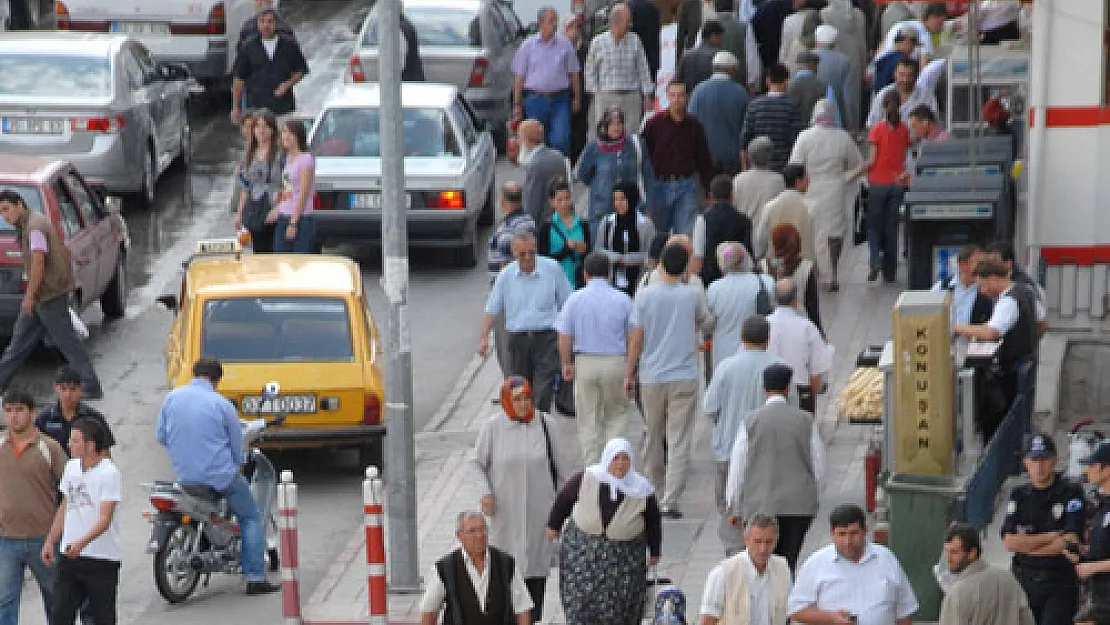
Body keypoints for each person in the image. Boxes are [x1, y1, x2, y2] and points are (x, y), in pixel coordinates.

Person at [157, 358, 280, 595]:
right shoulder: (222, 405)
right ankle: (255, 577)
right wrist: (238, 464)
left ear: (194, 374)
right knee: (250, 516)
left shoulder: (172, 398)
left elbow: (162, 436)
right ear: (217, 379)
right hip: (219, 476)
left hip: (185, 476)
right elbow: (237, 448)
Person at [471, 376, 570, 623]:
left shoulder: (546, 425)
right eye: (517, 399)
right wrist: (485, 492)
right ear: (506, 400)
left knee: (535, 576)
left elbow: (563, 470)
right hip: (506, 514)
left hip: (539, 514)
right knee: (505, 573)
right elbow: (476, 463)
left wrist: (562, 511)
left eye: (527, 398)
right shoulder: (493, 428)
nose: (523, 404)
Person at [626, 243, 710, 518]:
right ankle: (670, 499)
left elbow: (637, 337)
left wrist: (629, 372)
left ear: (660, 263)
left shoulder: (645, 296)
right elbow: (703, 323)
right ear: (685, 266)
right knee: (679, 439)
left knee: (653, 434)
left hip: (652, 375)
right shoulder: (691, 295)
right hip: (684, 374)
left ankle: (653, 488)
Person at [546, 437, 662, 625]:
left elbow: (653, 521)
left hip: (623, 563)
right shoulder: (587, 478)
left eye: (625, 459)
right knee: (580, 605)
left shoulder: (641, 489)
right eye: (616, 458)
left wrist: (655, 550)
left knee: (620, 609)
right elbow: (564, 499)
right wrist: (553, 525)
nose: (620, 464)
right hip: (583, 557)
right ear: (607, 458)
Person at [0, 190, 103, 399]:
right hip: (42, 296)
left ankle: (90, 385)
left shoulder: (34, 227)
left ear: (20, 204)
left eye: (6, 209)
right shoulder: (30, 224)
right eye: (1, 212)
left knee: (67, 342)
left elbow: (38, 263)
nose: (4, 216)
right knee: (18, 345)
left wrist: (29, 296)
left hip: (49, 296)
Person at [726, 363, 824, 572]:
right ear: (788, 388)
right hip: (798, 505)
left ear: (764, 388)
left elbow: (738, 465)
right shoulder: (806, 421)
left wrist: (733, 502)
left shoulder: (750, 421)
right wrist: (814, 497)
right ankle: (786, 597)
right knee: (788, 560)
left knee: (761, 561)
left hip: (760, 503)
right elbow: (819, 464)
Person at [704, 314, 779, 555]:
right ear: (768, 340)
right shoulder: (778, 368)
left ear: (742, 338)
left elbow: (710, 407)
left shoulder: (726, 367)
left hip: (727, 449)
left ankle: (736, 555)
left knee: (729, 508)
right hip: (767, 456)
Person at [997, 432, 1085, 625]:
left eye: (1044, 459)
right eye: (1034, 460)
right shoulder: (1019, 495)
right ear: (1025, 462)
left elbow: (1070, 540)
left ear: (1054, 460)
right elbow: (1010, 542)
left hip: (1059, 582)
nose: (1039, 466)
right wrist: (1050, 537)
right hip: (1024, 580)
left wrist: (1027, 546)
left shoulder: (1070, 492)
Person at [480, 233, 573, 414]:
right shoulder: (506, 275)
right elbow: (492, 307)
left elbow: (567, 303)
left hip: (547, 339)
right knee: (520, 390)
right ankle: (524, 428)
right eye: (522, 254)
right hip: (518, 340)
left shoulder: (552, 269)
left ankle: (539, 426)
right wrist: (484, 337)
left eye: (532, 252)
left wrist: (570, 335)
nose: (528, 258)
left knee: (543, 389)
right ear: (514, 254)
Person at [42, 418, 122, 625]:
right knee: (60, 614)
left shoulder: (109, 473)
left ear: (90, 445)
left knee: (102, 617)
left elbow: (105, 518)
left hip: (101, 559)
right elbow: (65, 506)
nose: (69, 444)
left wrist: (82, 542)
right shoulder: (71, 468)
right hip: (70, 556)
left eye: (75, 440)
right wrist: (51, 540)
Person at [556, 254, 634, 464]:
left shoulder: (574, 299)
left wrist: (566, 362)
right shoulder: (623, 299)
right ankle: (615, 463)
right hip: (615, 362)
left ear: (585, 274)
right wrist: (630, 369)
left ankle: (593, 468)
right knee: (616, 415)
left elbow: (564, 336)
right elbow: (632, 337)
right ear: (609, 274)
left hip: (585, 362)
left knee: (589, 419)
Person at [0, 389, 67, 625]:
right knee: (5, 603)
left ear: (31, 413)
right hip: (6, 540)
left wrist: (57, 533)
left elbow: (70, 491)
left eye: (19, 410)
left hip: (44, 539)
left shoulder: (49, 448)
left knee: (55, 600)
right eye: (8, 411)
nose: (13, 417)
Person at [789, 504, 918, 625]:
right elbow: (796, 610)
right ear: (832, 533)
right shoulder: (816, 563)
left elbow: (905, 610)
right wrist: (830, 618)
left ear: (865, 530)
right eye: (842, 534)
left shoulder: (886, 559)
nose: (847, 542)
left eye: (853, 533)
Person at [788, 99, 863, 290]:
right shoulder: (842, 137)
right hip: (834, 190)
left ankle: (815, 270)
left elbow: (795, 164)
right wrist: (843, 177)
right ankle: (833, 272)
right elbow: (858, 165)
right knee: (834, 233)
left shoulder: (804, 137)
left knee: (812, 231)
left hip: (809, 189)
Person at [954, 259, 1046, 412]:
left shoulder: (1008, 301)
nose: (982, 292)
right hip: (1026, 364)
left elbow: (991, 332)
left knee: (1006, 422)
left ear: (993, 279)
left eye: (982, 286)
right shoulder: (1026, 291)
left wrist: (957, 328)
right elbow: (1042, 323)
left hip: (1010, 372)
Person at [418, 511, 534, 625]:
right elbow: (429, 612)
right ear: (459, 536)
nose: (479, 536)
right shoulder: (444, 568)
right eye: (472, 531)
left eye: (482, 529)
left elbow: (522, 608)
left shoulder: (506, 563)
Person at [640, 80, 714, 236]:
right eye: (673, 95)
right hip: (659, 185)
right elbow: (644, 157)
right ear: (667, 96)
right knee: (658, 235)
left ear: (686, 97)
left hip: (686, 185)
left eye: (680, 95)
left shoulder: (695, 125)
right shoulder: (654, 124)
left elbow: (704, 160)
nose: (676, 99)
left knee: (685, 235)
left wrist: (709, 190)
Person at [512, 7, 582, 155]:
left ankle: (561, 173)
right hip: (535, 100)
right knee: (535, 142)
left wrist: (576, 98)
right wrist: (517, 103)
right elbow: (519, 76)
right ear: (541, 23)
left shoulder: (565, 45)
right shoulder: (527, 46)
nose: (555, 24)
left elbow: (574, 74)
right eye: (551, 21)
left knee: (561, 140)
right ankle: (539, 174)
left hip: (560, 100)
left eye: (556, 20)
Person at [700, 514, 793, 625]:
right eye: (757, 542)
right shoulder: (723, 573)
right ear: (746, 540)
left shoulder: (782, 568)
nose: (763, 549)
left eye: (768, 542)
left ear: (776, 541)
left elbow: (792, 612)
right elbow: (707, 620)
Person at [938, 522, 1035, 625]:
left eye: (954, 552)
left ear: (972, 553)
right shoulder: (1008, 579)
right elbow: (1027, 620)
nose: (948, 558)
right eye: (947, 552)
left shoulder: (956, 594)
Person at [576, 108, 651, 237]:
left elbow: (646, 173)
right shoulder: (594, 147)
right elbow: (583, 174)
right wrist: (601, 187)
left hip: (631, 208)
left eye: (619, 123)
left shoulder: (635, 144)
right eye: (611, 124)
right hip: (602, 209)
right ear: (604, 126)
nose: (616, 127)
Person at [488, 183, 537, 376]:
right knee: (503, 345)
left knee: (508, 347)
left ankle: (514, 388)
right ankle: (511, 385)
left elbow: (517, 251)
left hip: (511, 295)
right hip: (503, 292)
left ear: (503, 202)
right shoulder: (513, 222)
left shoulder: (522, 225)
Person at [583, 4, 654, 140]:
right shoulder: (598, 42)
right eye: (628, 21)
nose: (631, 25)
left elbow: (643, 69)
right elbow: (590, 71)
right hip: (606, 96)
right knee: (605, 135)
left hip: (631, 97)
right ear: (617, 21)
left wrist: (647, 95)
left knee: (632, 136)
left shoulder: (635, 40)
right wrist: (596, 94)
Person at [863, 89, 912, 283]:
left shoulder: (876, 129)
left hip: (877, 183)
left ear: (883, 106)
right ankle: (889, 271)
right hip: (897, 183)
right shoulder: (904, 130)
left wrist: (854, 172)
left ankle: (875, 259)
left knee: (873, 225)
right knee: (891, 227)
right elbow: (904, 154)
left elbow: (872, 160)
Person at [230, 9, 308, 123]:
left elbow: (301, 71)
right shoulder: (247, 47)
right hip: (256, 110)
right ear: (257, 23)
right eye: (262, 21)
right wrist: (235, 108)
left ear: (276, 23)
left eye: (270, 21)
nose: (266, 25)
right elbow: (238, 80)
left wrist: (287, 84)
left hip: (283, 109)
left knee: (284, 139)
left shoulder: (289, 45)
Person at [766, 279, 829, 414]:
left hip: (768, 392)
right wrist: (811, 399)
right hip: (800, 390)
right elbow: (816, 372)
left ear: (774, 299)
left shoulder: (765, 324)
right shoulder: (807, 327)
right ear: (795, 300)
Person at [707, 245, 773, 366]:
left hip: (723, 355)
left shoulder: (715, 288)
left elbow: (708, 324)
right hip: (758, 350)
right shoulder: (766, 282)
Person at [689, 51, 750, 177]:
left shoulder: (698, 91)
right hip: (730, 157)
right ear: (731, 70)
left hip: (703, 156)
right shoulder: (739, 92)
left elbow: (690, 123)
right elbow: (746, 128)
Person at [35, 366, 115, 458]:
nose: (68, 395)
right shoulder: (44, 419)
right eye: (63, 389)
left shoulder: (94, 418)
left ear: (80, 388)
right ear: (56, 388)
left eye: (73, 389)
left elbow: (104, 454)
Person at [740, 64, 803, 173]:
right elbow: (796, 138)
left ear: (768, 81)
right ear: (785, 82)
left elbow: (745, 138)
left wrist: (744, 167)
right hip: (784, 165)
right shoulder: (792, 106)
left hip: (757, 166)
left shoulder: (754, 105)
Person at [234, 109, 282, 253]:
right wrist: (239, 213)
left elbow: (288, 183)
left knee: (274, 252)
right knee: (258, 252)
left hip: (274, 209)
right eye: (257, 126)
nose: (261, 130)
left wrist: (279, 209)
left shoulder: (280, 154)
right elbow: (246, 186)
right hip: (255, 209)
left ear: (272, 130)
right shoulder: (249, 153)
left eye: (265, 126)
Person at [596, 182, 656, 296]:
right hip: (611, 281)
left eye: (622, 199)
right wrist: (617, 258)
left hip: (639, 281)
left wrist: (628, 259)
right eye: (615, 199)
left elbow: (652, 255)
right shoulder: (607, 222)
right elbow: (598, 251)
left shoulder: (646, 224)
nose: (618, 203)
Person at [694, 175, 753, 286]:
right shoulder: (744, 221)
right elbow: (748, 254)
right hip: (739, 280)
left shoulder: (703, 219)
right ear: (732, 195)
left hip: (711, 280)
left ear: (711, 196)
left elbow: (698, 256)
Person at [267, 119, 315, 253]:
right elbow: (288, 190)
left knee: (299, 262)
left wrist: (293, 222)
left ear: (298, 136)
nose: (285, 136)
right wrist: (278, 208)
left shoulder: (306, 159)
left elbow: (303, 194)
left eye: (290, 133)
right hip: (284, 215)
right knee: (281, 259)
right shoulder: (288, 159)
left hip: (301, 218)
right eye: (283, 132)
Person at [755, 165, 814, 262]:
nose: (808, 183)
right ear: (798, 181)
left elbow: (761, 237)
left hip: (776, 262)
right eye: (806, 179)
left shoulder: (769, 206)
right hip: (804, 264)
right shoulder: (810, 207)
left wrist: (760, 257)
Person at [538, 178, 591, 288]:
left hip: (579, 283)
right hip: (555, 285)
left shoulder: (582, 224)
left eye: (567, 199)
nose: (564, 204)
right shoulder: (546, 227)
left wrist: (583, 250)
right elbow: (543, 260)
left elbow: (589, 256)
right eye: (559, 200)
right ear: (552, 202)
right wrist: (566, 249)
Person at [519, 119, 574, 225]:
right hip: (562, 221)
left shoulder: (534, 166)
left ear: (526, 140)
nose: (518, 141)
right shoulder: (558, 156)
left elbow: (532, 206)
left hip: (543, 227)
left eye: (519, 137)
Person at [1074, 441, 1110, 602]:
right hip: (1100, 593)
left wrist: (1093, 567)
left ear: (1107, 469)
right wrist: (1084, 551)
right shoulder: (1103, 505)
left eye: (1092, 465)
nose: (1087, 469)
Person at [931, 244, 993, 327]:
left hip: (973, 339)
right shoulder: (941, 287)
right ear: (962, 265)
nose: (983, 268)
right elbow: (928, 315)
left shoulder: (986, 290)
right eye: (979, 263)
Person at [866, 57, 938, 127]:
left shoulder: (926, 96)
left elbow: (934, 125)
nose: (905, 80)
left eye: (910, 75)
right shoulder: (883, 94)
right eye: (901, 75)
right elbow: (872, 124)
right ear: (895, 74)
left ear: (916, 76)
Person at [732, 137, 785, 231]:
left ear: (750, 156)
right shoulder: (778, 180)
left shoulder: (738, 179)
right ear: (770, 156)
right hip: (768, 232)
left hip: (744, 232)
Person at [813, 25, 857, 134]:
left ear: (816, 40)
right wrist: (852, 125)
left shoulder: (807, 57)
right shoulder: (843, 61)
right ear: (835, 42)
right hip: (836, 120)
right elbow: (848, 97)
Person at [565, 16, 591, 163]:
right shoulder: (561, 48)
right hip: (564, 94)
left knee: (580, 129)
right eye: (570, 28)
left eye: (577, 27)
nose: (574, 31)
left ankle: (579, 161)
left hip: (583, 92)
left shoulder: (586, 49)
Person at [676, 20, 725, 95]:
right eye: (720, 37)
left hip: (689, 99)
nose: (721, 41)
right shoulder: (718, 56)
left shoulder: (687, 55)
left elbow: (678, 80)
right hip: (710, 97)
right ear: (713, 36)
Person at [788, 52, 834, 128]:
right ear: (815, 66)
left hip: (792, 133)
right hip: (817, 132)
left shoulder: (786, 85)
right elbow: (832, 112)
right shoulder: (825, 86)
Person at [871, 28, 917, 96]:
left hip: (879, 98)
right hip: (892, 100)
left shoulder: (885, 57)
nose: (914, 48)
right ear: (907, 41)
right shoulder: (902, 60)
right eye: (913, 44)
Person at [713, 0, 749, 85]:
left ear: (715, 7)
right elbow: (751, 58)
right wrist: (752, 83)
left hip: (712, 81)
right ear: (733, 7)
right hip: (738, 81)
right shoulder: (744, 28)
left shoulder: (706, 27)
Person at [628, 0, 662, 82]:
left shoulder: (629, 7)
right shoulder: (654, 8)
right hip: (652, 58)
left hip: (634, 60)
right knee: (650, 89)